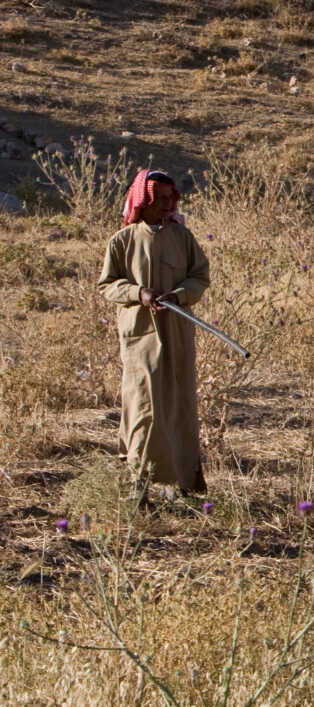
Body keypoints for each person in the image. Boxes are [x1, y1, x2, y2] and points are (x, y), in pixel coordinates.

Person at [97, 170, 211, 500]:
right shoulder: (122, 240)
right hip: (140, 336)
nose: (167, 205)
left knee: (179, 403)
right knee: (143, 405)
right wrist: (138, 293)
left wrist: (179, 295)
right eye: (159, 199)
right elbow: (107, 285)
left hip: (177, 333)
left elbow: (200, 277)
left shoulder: (183, 237)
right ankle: (140, 485)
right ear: (142, 201)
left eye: (170, 198)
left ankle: (184, 484)